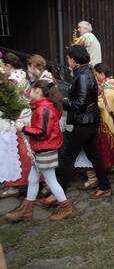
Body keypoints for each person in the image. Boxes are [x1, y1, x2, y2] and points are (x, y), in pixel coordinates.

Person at [44, 45, 111, 203]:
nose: (67, 60)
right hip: (88, 121)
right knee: (93, 155)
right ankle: (105, 186)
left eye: (68, 58)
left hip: (85, 123)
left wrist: (61, 102)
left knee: (68, 156)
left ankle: (58, 193)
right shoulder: (83, 73)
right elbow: (82, 100)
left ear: (73, 59)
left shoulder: (83, 75)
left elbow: (80, 104)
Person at [5, 80, 74, 222]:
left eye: (31, 89)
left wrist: (23, 128)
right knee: (33, 178)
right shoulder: (44, 107)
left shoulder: (43, 109)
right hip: (42, 148)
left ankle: (66, 207)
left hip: (45, 149)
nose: (29, 92)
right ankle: (26, 210)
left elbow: (42, 133)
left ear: (38, 91)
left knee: (51, 180)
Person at [0, 53, 32, 199]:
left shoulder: (15, 77)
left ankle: (16, 184)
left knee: (17, 153)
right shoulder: (21, 74)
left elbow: (9, 99)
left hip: (17, 120)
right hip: (21, 117)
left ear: (8, 66)